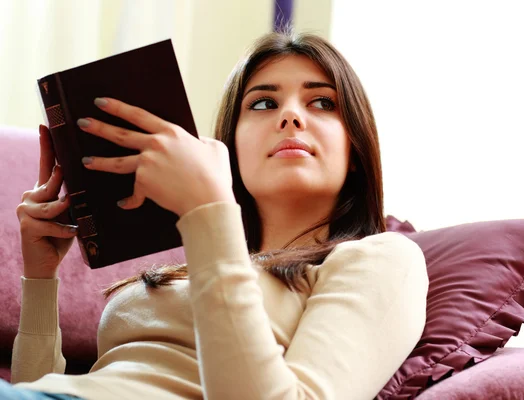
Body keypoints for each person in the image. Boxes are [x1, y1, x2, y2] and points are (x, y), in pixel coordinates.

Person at [6, 31, 428, 400]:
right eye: (263, 103)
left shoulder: (384, 259)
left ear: (355, 150)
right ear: (231, 146)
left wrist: (209, 210)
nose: (291, 115)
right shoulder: (205, 264)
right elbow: (42, 388)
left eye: (322, 102)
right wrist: (41, 279)